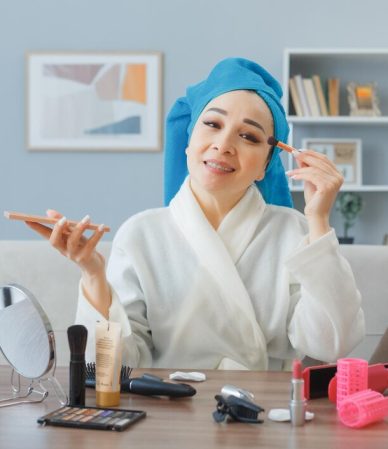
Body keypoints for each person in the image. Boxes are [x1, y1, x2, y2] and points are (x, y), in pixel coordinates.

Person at [27, 58, 365, 370]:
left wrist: (318, 220)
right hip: (168, 413)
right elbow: (110, 367)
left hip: (264, 412)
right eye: (213, 124)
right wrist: (93, 275)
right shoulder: (141, 233)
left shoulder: (294, 231)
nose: (224, 144)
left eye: (248, 135)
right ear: (189, 140)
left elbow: (331, 345)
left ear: (266, 164)